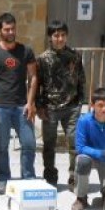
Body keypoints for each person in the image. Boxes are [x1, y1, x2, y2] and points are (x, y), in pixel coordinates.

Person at [0, 12, 38, 195]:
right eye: (7, 29)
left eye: (13, 28)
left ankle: (28, 177)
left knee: (29, 142)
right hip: (0, 106)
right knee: (2, 146)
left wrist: (31, 102)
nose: (11, 31)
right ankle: (3, 179)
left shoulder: (26, 51)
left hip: (22, 106)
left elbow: (33, 76)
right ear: (0, 31)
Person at [36, 20, 85, 188]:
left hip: (71, 107)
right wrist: (39, 106)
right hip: (50, 108)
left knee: (74, 141)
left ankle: (74, 174)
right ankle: (50, 174)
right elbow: (37, 84)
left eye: (63, 35)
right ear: (50, 37)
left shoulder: (75, 56)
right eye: (56, 35)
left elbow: (81, 80)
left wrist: (81, 103)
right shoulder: (42, 59)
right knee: (49, 144)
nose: (60, 39)